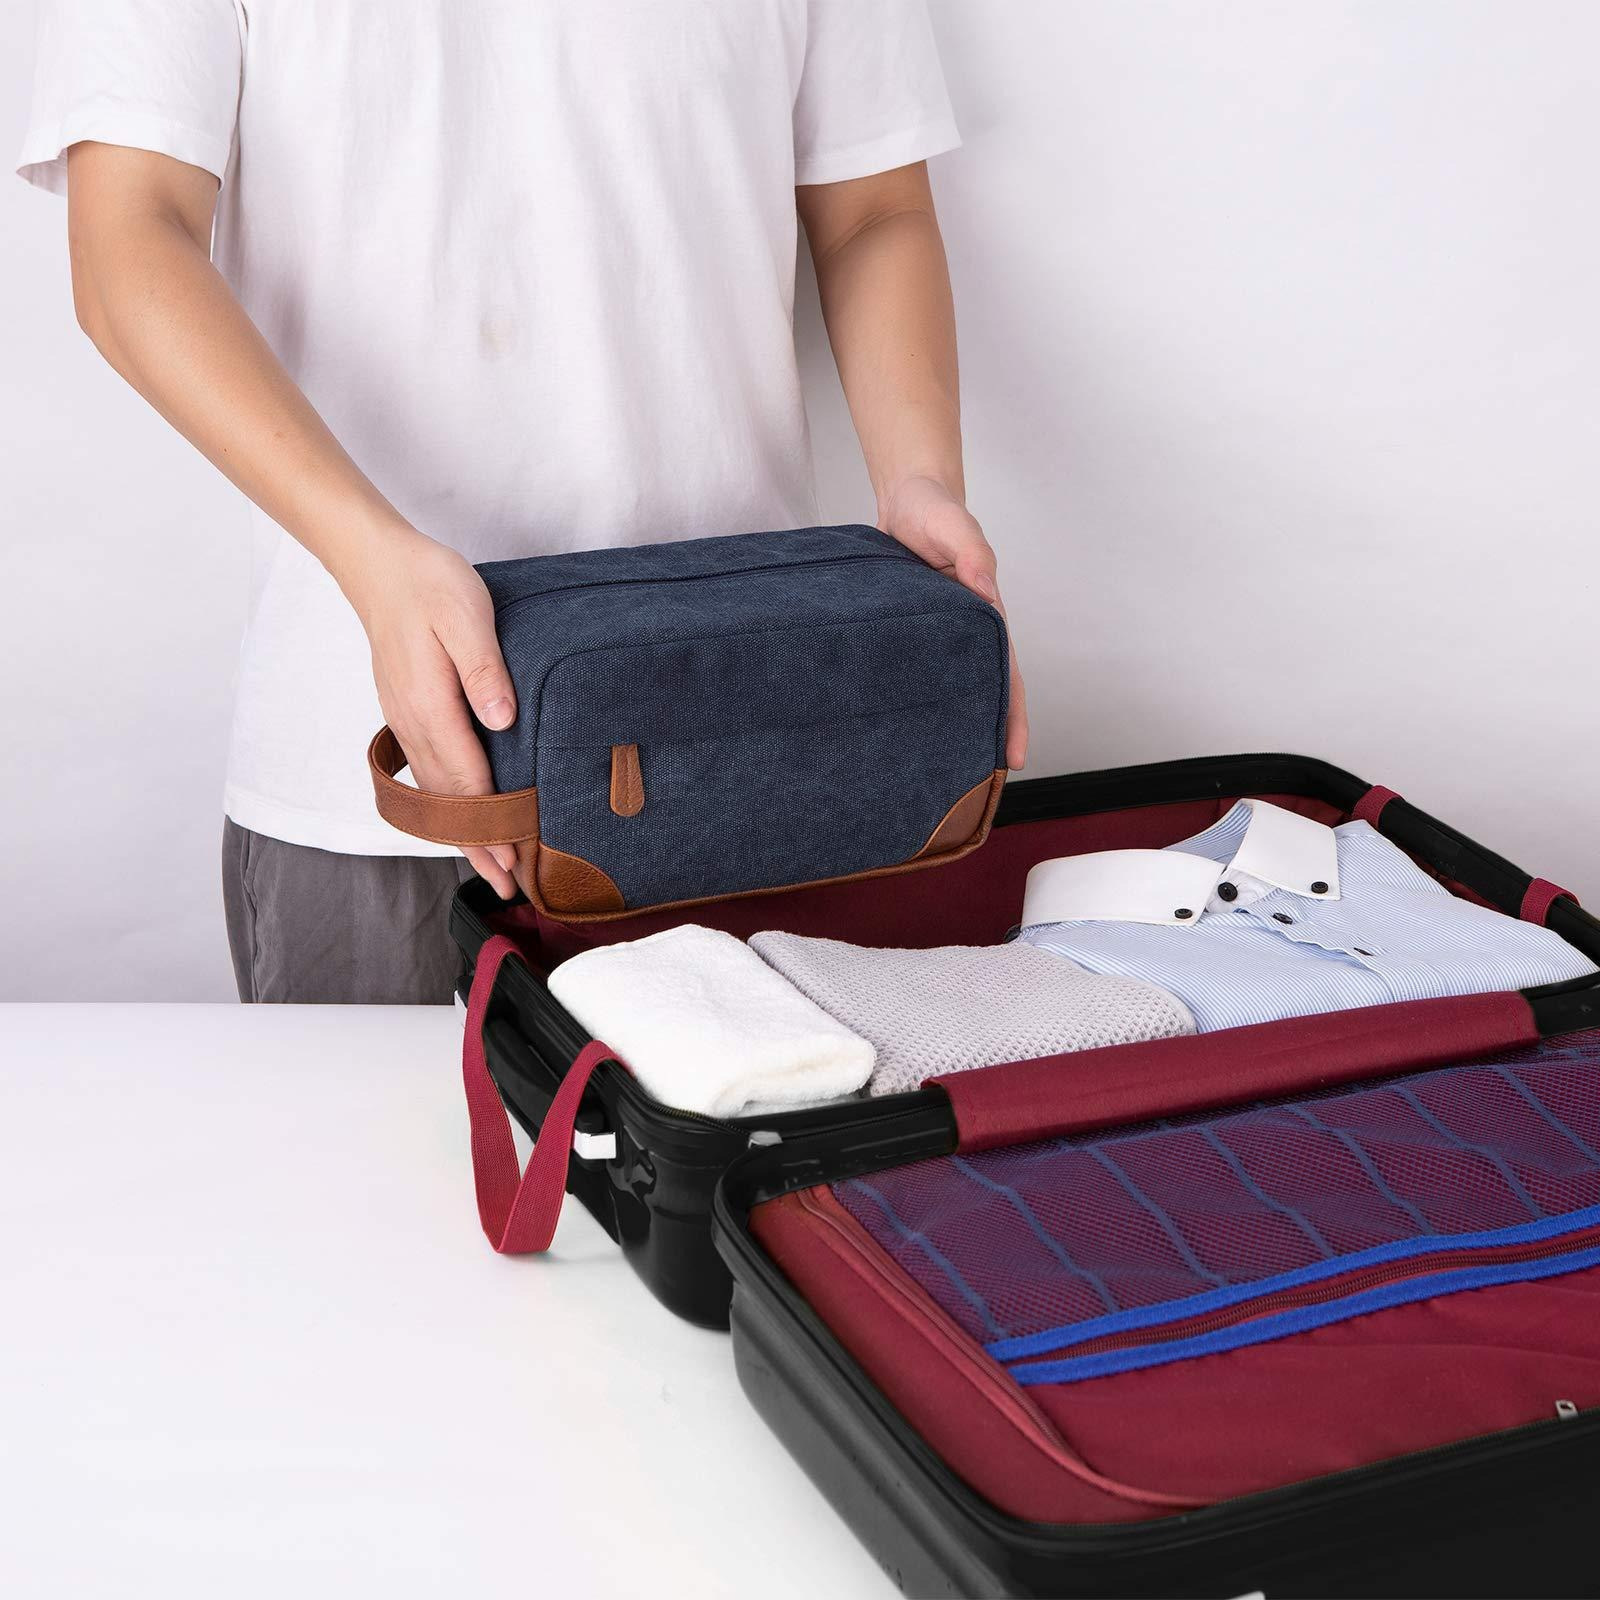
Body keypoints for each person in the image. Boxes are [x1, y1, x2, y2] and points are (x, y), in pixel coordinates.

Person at [18, 0, 1027, 1004]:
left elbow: (872, 210)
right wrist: (371, 557)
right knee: (365, 1114)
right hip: (383, 769)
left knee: (775, 1114)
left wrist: (920, 483)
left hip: (744, 732)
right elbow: (126, 239)